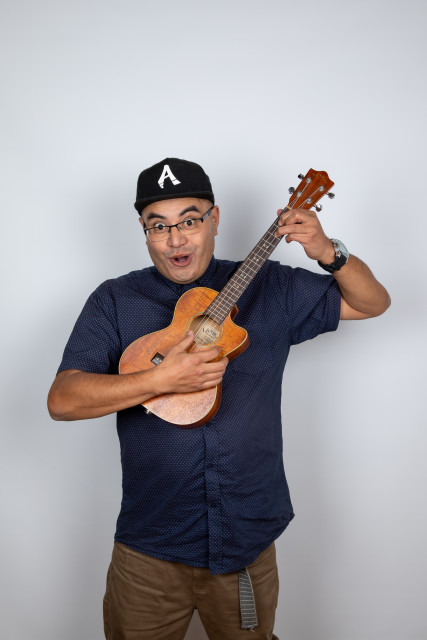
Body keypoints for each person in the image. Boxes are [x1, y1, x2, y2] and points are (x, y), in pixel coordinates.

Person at [48, 157, 390, 640]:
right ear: (144, 232)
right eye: (159, 226)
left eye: (189, 221)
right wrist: (160, 379)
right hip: (149, 547)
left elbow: (371, 303)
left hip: (245, 542)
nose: (176, 240)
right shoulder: (115, 300)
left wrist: (329, 252)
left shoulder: (273, 286)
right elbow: (62, 400)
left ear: (215, 219)